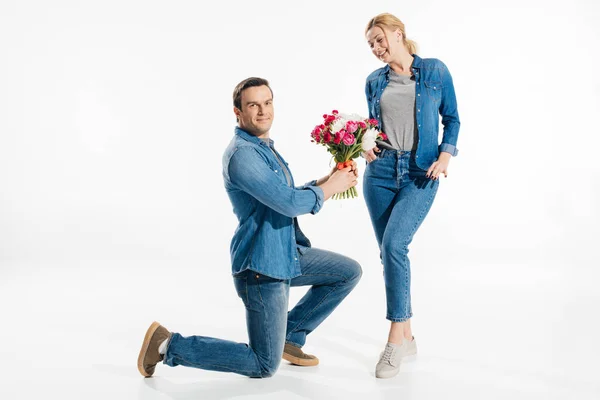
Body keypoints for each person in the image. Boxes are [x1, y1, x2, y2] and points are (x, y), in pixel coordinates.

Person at [137, 77, 362, 379]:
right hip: (262, 267)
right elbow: (288, 202)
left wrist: (327, 180)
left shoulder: (262, 147)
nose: (262, 111)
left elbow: (285, 195)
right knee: (263, 364)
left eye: (267, 103)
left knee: (347, 272)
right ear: (237, 112)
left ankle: (289, 335)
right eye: (253, 105)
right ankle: (166, 345)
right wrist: (331, 188)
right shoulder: (242, 155)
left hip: (285, 254)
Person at [361, 13, 460, 378]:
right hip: (381, 174)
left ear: (397, 34)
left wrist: (446, 153)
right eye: (370, 44)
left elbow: (453, 117)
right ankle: (408, 334)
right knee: (389, 251)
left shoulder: (435, 71)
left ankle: (394, 342)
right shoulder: (374, 81)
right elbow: (372, 127)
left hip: (420, 172)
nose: (376, 48)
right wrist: (364, 145)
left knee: (394, 246)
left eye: (379, 39)